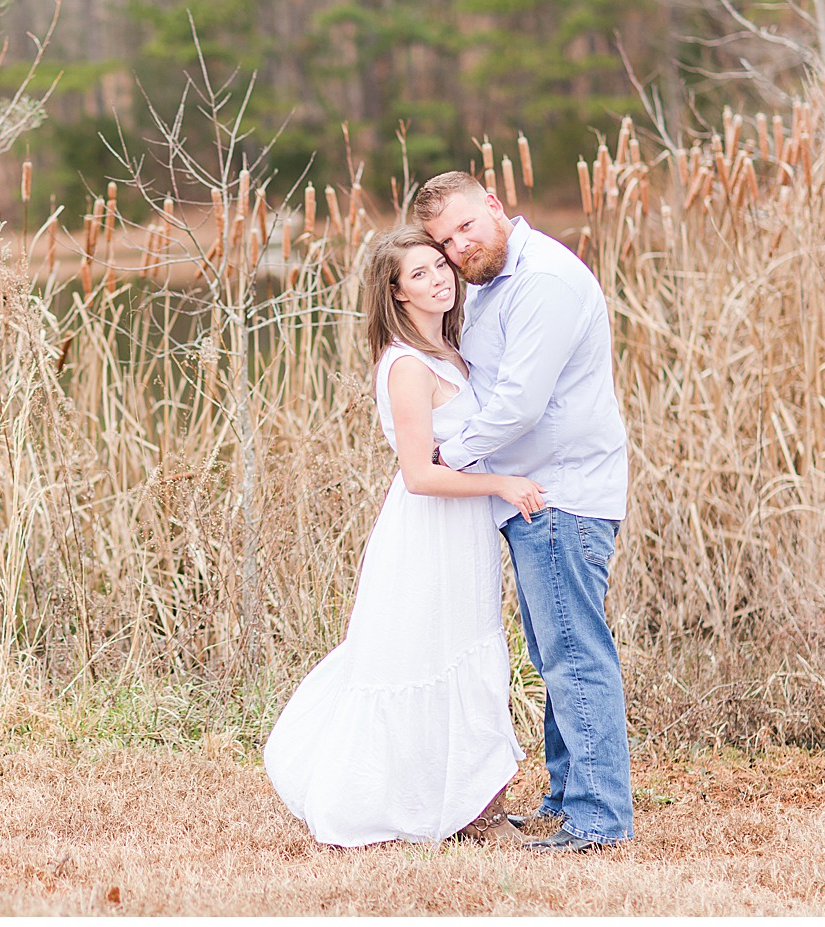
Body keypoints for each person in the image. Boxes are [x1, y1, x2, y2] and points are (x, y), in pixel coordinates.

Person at [263, 226, 547, 848]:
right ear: (395, 292)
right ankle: (455, 809)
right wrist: (501, 483)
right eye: (418, 274)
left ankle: (473, 804)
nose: (439, 277)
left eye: (439, 266)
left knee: (467, 653)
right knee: (428, 656)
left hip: (460, 532)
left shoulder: (449, 350)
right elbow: (419, 476)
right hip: (428, 532)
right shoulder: (406, 366)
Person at [414, 170, 632, 854]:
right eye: (444, 241)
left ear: (495, 205)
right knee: (554, 650)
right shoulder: (494, 284)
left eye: (466, 226)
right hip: (534, 493)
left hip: (562, 494)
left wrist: (445, 455)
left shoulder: (543, 282)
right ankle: (569, 797)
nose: (458, 247)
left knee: (574, 653)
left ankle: (598, 820)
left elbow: (519, 403)